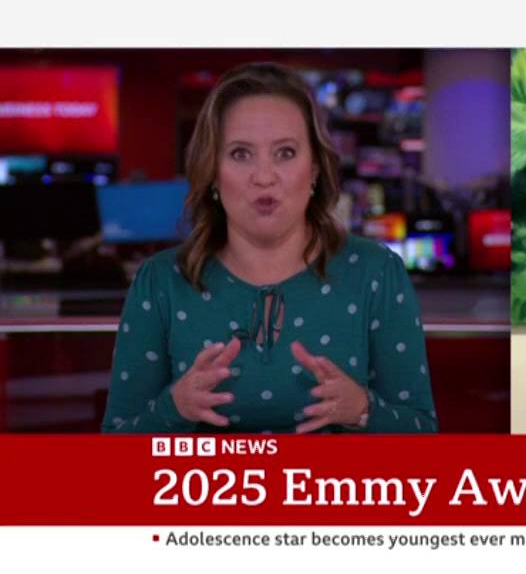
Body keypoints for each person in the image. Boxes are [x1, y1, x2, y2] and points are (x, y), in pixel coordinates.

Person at [102, 62, 436, 434]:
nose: (264, 177)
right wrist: (173, 408)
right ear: (212, 172)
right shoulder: (160, 282)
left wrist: (363, 411)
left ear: (314, 169)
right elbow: (113, 449)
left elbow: (423, 434)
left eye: (286, 153)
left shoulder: (376, 273)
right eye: (240, 154)